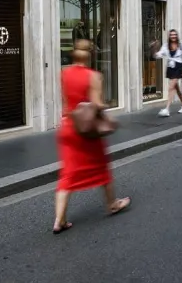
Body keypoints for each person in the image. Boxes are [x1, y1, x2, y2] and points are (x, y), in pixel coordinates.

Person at [53, 39, 131, 234]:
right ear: (90, 55)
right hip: (86, 130)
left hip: (68, 127)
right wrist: (107, 111)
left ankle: (59, 220)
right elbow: (97, 104)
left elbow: (67, 101)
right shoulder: (94, 76)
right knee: (101, 166)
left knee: (68, 174)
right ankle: (112, 203)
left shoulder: (64, 73)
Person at [154, 29, 182, 117]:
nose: (173, 36)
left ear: (177, 36)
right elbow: (159, 54)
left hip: (179, 66)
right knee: (176, 87)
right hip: (170, 67)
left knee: (171, 87)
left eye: (174, 35)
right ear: (169, 36)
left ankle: (167, 109)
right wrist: (154, 48)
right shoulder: (166, 45)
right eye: (171, 35)